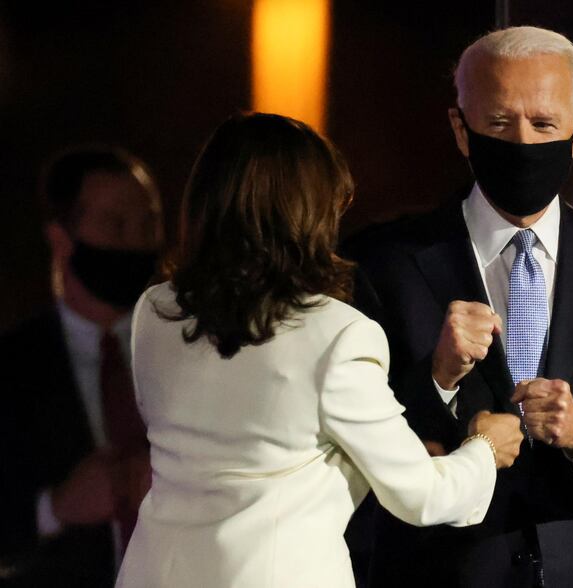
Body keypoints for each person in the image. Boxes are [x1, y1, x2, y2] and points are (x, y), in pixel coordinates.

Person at [349, 27, 573, 587]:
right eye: (498, 122)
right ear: (460, 130)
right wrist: (437, 379)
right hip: (439, 573)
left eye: (543, 125)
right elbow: (354, 445)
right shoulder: (383, 262)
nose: (521, 142)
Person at [113, 112, 523, 588]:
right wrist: (486, 448)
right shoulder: (338, 333)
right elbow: (421, 495)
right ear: (307, 214)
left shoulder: (154, 310)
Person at [0, 145, 163, 586]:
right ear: (60, 238)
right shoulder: (12, 366)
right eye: (115, 225)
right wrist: (55, 509)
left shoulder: (192, 346)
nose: (137, 242)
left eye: (148, 223)